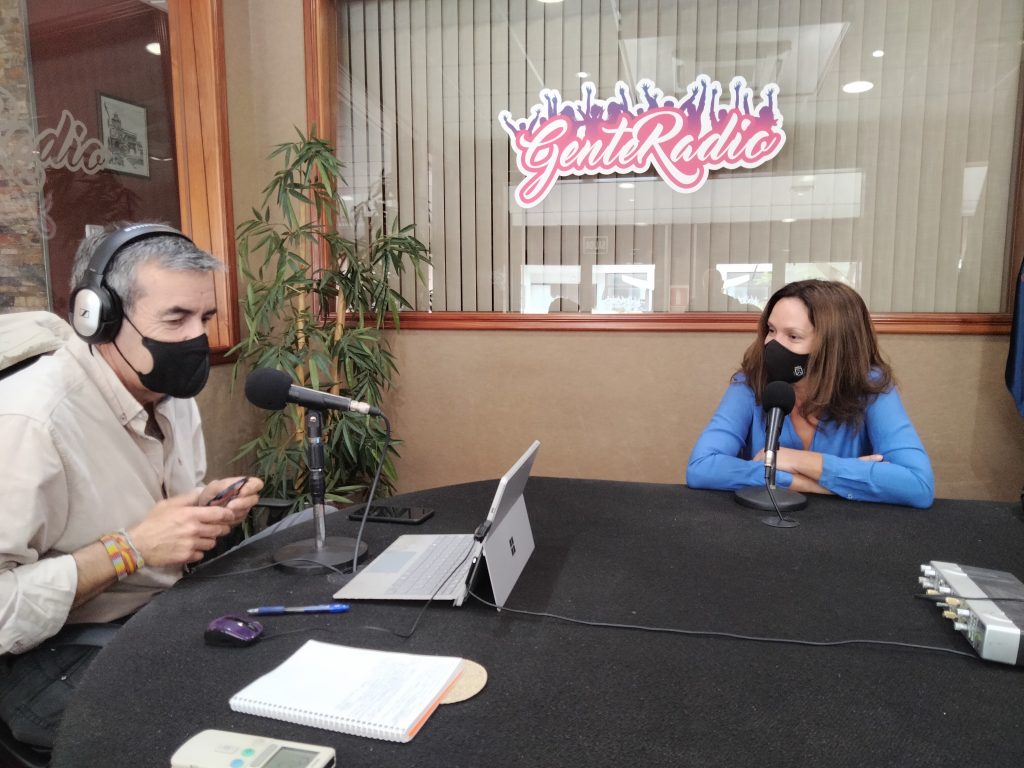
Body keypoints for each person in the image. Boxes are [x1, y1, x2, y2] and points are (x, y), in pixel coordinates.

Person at [0, 223, 264, 751]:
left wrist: (199, 513)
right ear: (97, 318)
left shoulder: (167, 391)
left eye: (205, 318)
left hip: (153, 614)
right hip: (43, 658)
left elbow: (155, 520)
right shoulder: (31, 421)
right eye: (176, 318)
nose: (196, 339)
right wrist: (130, 549)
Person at [686, 279, 934, 508]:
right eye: (771, 330)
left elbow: (917, 485)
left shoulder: (870, 386)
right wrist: (815, 483)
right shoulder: (751, 381)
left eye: (793, 336)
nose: (773, 345)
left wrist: (796, 460)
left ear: (833, 346)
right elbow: (701, 467)